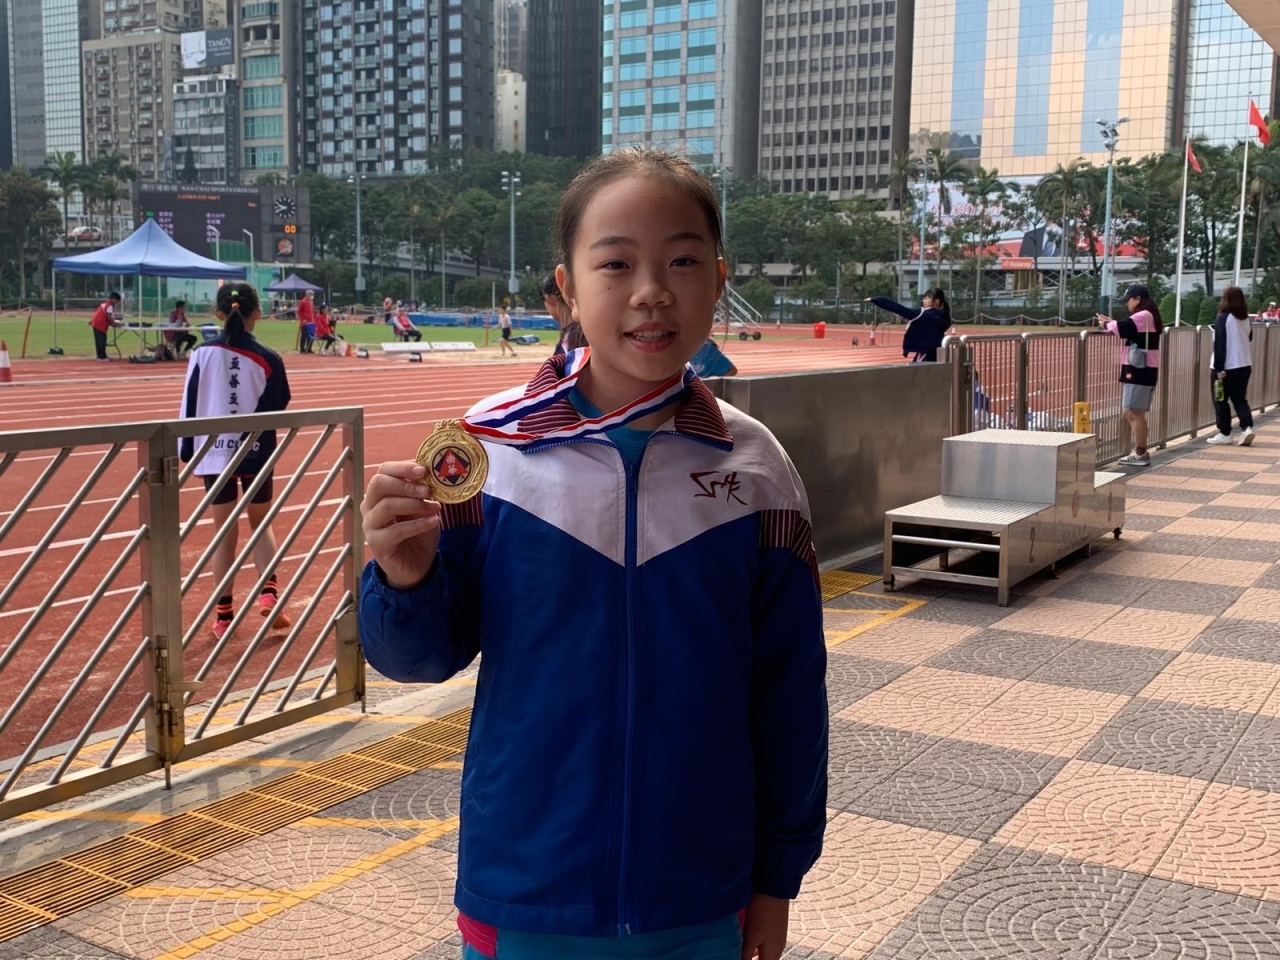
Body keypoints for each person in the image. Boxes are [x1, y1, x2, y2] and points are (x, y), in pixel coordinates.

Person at [358, 148, 826, 960]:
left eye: (683, 261)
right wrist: (403, 578)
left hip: (701, 896)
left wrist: (776, 876)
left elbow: (790, 696)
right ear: (567, 288)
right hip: (526, 888)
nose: (651, 291)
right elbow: (419, 659)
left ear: (719, 280)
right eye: (615, 263)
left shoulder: (756, 469)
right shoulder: (487, 452)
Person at [179, 281, 292, 640]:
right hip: (257, 450)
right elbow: (279, 404)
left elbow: (190, 404)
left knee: (223, 532)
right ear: (257, 313)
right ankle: (269, 594)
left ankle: (224, 615)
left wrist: (187, 450)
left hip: (214, 454)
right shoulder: (269, 357)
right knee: (262, 524)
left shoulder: (200, 353)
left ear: (218, 313)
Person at [1097, 283, 1162, 468]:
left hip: (1139, 370)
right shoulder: (1148, 316)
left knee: (1134, 412)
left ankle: (1141, 453)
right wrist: (1111, 323)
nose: (1127, 304)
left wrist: (1106, 323)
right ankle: (1140, 452)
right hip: (1143, 369)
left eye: (1128, 300)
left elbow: (1123, 327)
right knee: (1132, 411)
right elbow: (1125, 327)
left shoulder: (1143, 315)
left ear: (1138, 299)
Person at [1207, 285, 1256, 447]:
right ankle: (1247, 428)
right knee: (1240, 399)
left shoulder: (1223, 318)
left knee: (1220, 399)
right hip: (1244, 364)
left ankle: (1225, 432)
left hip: (1226, 366)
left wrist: (1219, 368)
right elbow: (1249, 337)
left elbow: (1220, 344)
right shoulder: (1245, 319)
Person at [864, 288, 952, 362]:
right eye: (923, 298)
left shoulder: (924, 314)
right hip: (937, 353)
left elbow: (899, 309)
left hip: (925, 354)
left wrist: (877, 300)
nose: (924, 301)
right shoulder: (944, 317)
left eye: (927, 298)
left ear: (936, 301)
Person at [89, 291, 123, 362]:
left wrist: (111, 323)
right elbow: (109, 317)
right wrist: (116, 323)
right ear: (114, 298)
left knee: (98, 341)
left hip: (96, 323)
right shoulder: (109, 305)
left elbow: (105, 316)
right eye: (116, 300)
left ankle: (100, 356)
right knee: (102, 340)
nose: (116, 302)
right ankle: (102, 356)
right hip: (100, 324)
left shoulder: (104, 304)